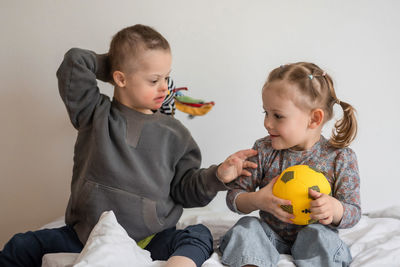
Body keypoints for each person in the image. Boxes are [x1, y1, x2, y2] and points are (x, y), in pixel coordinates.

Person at [0, 24, 257, 267]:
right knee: (20, 246)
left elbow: (184, 190)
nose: (164, 87)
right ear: (120, 79)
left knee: (199, 235)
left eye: (167, 77)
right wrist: (118, 62)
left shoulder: (176, 134)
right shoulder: (95, 114)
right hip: (86, 236)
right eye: (154, 80)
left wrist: (216, 177)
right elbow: (75, 61)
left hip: (151, 238)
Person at [219, 62, 361, 267]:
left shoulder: (341, 158)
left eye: (278, 116)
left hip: (313, 236)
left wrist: (334, 209)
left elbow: (354, 212)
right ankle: (252, 263)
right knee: (246, 226)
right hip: (269, 236)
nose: (267, 123)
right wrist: (256, 200)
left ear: (314, 119)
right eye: (265, 113)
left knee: (322, 237)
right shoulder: (264, 150)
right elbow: (234, 198)